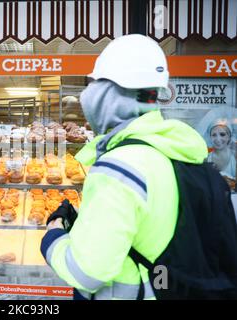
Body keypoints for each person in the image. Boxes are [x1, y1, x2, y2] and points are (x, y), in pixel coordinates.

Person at [40, 34, 209, 300]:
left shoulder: (119, 168)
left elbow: (87, 271)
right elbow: (146, 228)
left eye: (95, 86)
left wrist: (54, 236)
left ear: (109, 95)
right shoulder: (175, 150)